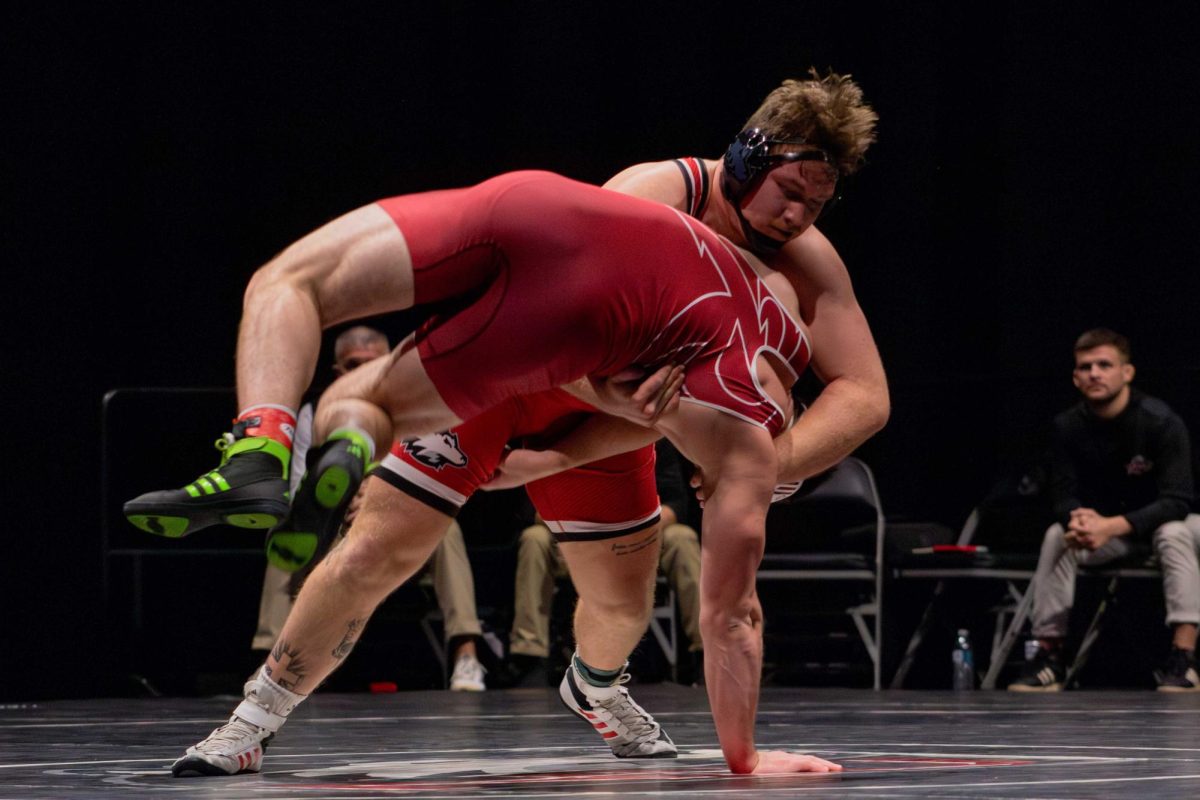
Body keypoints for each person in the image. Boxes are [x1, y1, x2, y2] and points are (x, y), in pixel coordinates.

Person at [137, 70, 875, 776]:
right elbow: (580, 313)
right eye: (789, 194)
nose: (797, 217)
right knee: (378, 551)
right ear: (745, 160)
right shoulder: (657, 195)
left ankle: (596, 684)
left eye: (818, 203)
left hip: (615, 411)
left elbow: (866, 395)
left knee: (622, 601)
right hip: (545, 366)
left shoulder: (801, 265)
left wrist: (765, 459)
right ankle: (252, 719)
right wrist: (733, 451)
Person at [250, 326, 490, 691]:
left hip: (400, 524)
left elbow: (440, 480)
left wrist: (378, 498)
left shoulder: (420, 414)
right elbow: (298, 487)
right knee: (286, 538)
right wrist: (341, 502)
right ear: (338, 372)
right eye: (353, 365)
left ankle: (466, 655)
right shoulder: (313, 417)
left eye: (373, 364)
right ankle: (270, 667)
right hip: (335, 526)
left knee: (448, 530)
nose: (362, 372)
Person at [1008, 328, 1200, 692]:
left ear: (1126, 372)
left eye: (1104, 364)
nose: (1095, 373)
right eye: (1086, 366)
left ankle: (1184, 657)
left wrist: (1112, 525)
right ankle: (1050, 655)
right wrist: (1077, 519)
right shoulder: (1066, 428)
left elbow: (1178, 499)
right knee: (1057, 535)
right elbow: (1063, 494)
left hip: (1168, 527)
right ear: (1075, 377)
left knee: (1174, 531)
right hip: (1108, 535)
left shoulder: (1160, 422)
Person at [497, 440, 703, 686]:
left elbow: (675, 502)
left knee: (683, 538)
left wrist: (634, 530)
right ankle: (528, 655)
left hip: (641, 533)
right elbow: (533, 509)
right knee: (534, 539)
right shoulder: (561, 432)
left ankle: (706, 649)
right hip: (577, 535)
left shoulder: (651, 437)